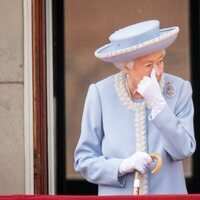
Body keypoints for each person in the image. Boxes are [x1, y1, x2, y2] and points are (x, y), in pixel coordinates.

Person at [74, 20, 196, 195]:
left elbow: (184, 150)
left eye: (160, 62)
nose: (157, 72)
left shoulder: (179, 90)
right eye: (148, 65)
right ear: (126, 67)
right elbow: (83, 161)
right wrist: (122, 166)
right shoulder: (100, 94)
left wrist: (159, 105)